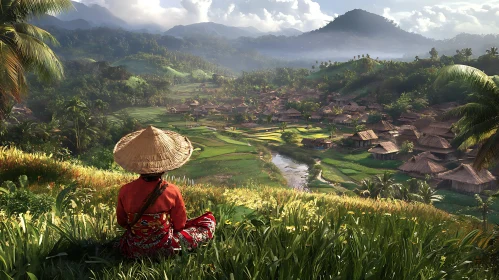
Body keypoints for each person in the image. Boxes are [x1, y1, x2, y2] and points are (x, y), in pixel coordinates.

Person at [113, 125, 216, 259]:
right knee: (208, 221)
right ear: (164, 168)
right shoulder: (172, 191)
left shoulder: (125, 190)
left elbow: (122, 222)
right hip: (165, 247)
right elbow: (180, 224)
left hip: (133, 248)